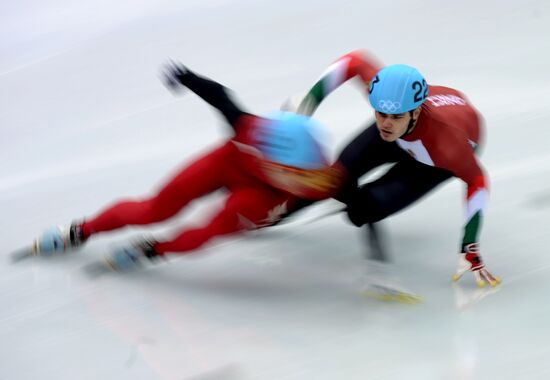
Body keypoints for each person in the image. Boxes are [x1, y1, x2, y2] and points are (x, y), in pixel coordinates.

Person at [31, 61, 343, 271]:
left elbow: (357, 196)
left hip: (260, 198)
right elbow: (221, 98)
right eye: (278, 167)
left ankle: (154, 249)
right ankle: (80, 230)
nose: (285, 175)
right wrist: (187, 78)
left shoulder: (322, 183)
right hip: (226, 164)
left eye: (295, 174)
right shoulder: (253, 132)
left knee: (210, 231)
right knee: (154, 210)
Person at [289, 50, 501, 292]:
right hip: (410, 131)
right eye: (380, 113)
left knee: (364, 208)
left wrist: (469, 244)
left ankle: (354, 207)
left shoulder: (446, 148)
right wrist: (308, 105)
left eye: (395, 116)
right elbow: (354, 61)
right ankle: (279, 210)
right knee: (335, 176)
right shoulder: (389, 99)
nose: (386, 123)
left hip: (434, 160)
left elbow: (478, 180)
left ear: (416, 112)